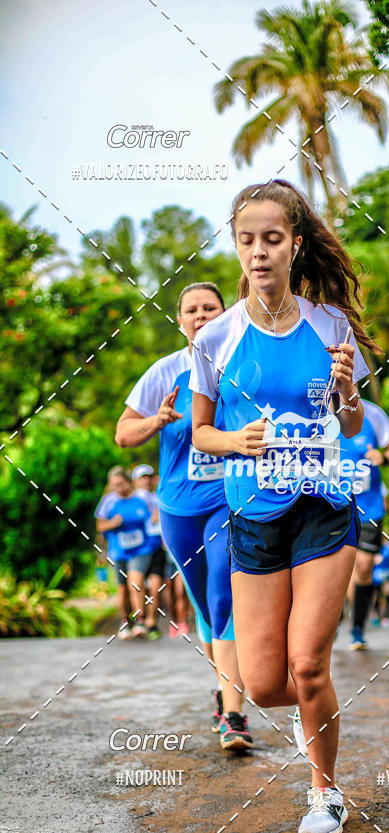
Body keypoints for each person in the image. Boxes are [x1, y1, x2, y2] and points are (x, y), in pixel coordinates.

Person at [189, 179, 375, 833]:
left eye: (273, 238)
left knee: (308, 666)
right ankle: (315, 711)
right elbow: (200, 432)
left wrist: (349, 393)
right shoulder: (216, 337)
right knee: (268, 685)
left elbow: (351, 427)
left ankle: (325, 790)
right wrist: (233, 441)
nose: (259, 252)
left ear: (296, 244)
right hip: (255, 517)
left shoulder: (329, 325)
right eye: (247, 240)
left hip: (325, 508)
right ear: (236, 247)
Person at [115, 282, 252, 751]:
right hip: (177, 510)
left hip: (228, 500)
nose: (200, 315)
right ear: (179, 320)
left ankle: (234, 716)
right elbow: (123, 435)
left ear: (225, 313)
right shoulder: (164, 372)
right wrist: (157, 420)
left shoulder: (240, 362)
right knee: (202, 605)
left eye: (209, 308)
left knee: (222, 595)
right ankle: (223, 688)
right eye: (191, 310)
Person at [339, 400, 389, 650]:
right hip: (330, 505)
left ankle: (357, 628)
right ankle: (336, 617)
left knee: (364, 567)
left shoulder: (373, 413)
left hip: (369, 508)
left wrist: (384, 456)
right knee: (339, 569)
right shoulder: (317, 405)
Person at [95, 466, 158, 639]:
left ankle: (140, 620)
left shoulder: (141, 498)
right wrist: (113, 523)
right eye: (115, 485)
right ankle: (126, 621)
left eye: (122, 483)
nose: (119, 488)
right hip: (119, 550)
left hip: (142, 548)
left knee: (135, 581)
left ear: (128, 482)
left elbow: (158, 510)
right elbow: (100, 525)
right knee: (122, 589)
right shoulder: (108, 501)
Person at [131, 464, 166, 639]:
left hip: (157, 546)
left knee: (155, 587)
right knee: (137, 586)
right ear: (135, 481)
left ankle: (152, 623)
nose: (146, 480)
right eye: (142, 477)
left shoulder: (159, 496)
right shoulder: (133, 499)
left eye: (149, 476)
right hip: (139, 549)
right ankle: (140, 620)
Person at [371, 538, 389, 627]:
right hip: (376, 574)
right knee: (377, 595)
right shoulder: (373, 544)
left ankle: (386, 616)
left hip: (388, 573)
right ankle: (376, 615)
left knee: (387, 594)